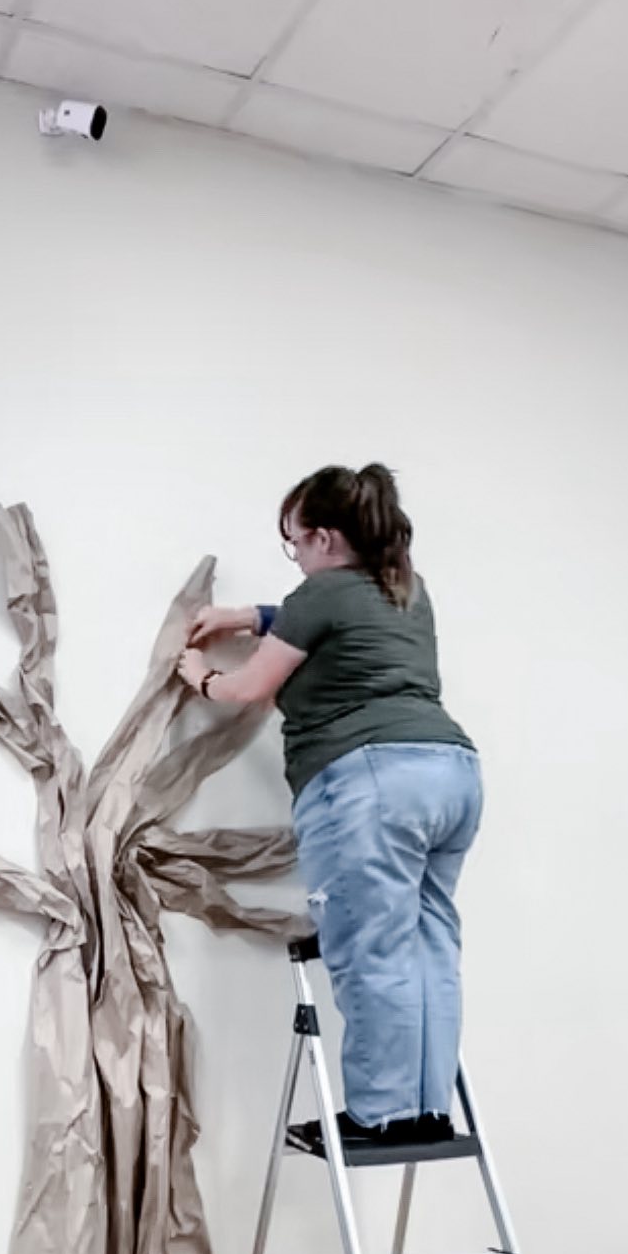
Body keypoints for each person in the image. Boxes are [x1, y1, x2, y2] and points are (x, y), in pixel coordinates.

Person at [177, 463, 481, 1155]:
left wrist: (203, 678)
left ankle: (376, 1115)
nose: (296, 557)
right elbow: (321, 623)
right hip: (452, 775)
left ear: (320, 537)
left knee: (369, 948)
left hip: (370, 781)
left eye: (294, 542)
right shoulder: (406, 587)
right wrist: (248, 615)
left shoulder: (318, 594)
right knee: (429, 944)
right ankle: (425, 1110)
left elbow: (252, 685)